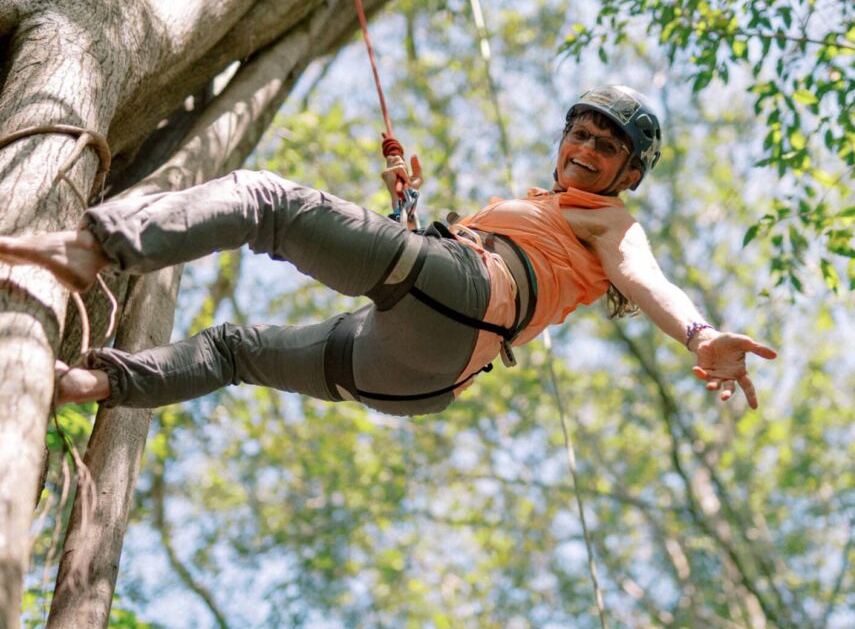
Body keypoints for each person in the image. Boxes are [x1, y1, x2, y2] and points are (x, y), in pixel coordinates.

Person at [0, 85, 776, 415]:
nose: (586, 148)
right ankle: (85, 386)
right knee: (233, 351)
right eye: (581, 131)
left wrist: (701, 336)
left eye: (607, 147)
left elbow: (644, 275)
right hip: (421, 373)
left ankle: (87, 249)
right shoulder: (537, 212)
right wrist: (409, 214)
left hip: (463, 295)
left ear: (627, 175)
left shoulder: (609, 223)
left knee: (266, 202)